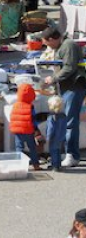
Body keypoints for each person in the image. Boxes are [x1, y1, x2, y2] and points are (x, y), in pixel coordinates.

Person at [41, 27, 86, 167]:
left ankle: (72, 154)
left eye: (47, 44)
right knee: (66, 120)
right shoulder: (62, 46)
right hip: (67, 87)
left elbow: (69, 67)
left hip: (74, 87)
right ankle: (67, 152)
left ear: (52, 39)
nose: (48, 47)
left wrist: (53, 79)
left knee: (70, 122)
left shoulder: (69, 45)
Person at [9, 83, 41, 171]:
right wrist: (36, 130)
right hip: (28, 130)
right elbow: (33, 120)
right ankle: (35, 165)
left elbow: (12, 117)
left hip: (18, 131)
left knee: (19, 148)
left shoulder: (15, 105)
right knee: (32, 148)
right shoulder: (31, 107)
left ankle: (19, 165)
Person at [46, 96, 67, 171]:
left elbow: (51, 129)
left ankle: (54, 165)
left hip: (54, 137)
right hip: (61, 137)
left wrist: (48, 137)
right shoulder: (64, 116)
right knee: (58, 150)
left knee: (53, 151)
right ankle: (58, 164)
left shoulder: (51, 117)